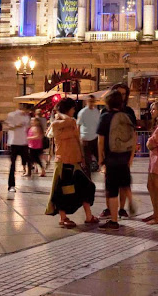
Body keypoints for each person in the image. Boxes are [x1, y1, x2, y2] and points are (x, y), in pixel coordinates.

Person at [45, 97, 98, 227]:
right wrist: (59, 112)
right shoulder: (56, 124)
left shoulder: (72, 122)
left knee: (87, 187)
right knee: (63, 191)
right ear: (67, 109)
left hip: (74, 161)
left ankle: (89, 216)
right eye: (73, 108)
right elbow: (67, 123)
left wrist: (82, 157)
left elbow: (77, 140)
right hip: (63, 161)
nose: (74, 110)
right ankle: (63, 218)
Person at [97, 88, 137, 230]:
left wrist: (101, 159)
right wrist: (131, 156)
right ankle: (130, 200)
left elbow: (101, 140)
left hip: (111, 157)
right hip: (124, 156)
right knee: (125, 182)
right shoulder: (127, 115)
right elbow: (134, 136)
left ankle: (113, 221)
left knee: (112, 190)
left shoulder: (105, 116)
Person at [4, 103, 31, 193]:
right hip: (14, 143)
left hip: (23, 143)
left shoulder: (27, 117)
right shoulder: (12, 115)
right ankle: (11, 185)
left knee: (28, 161)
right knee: (13, 165)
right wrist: (16, 126)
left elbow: (27, 128)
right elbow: (7, 126)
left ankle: (29, 176)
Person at [76, 94, 101, 179]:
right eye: (90, 101)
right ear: (87, 102)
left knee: (100, 158)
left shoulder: (96, 112)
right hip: (85, 139)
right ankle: (88, 180)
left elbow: (99, 124)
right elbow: (78, 126)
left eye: (93, 101)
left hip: (95, 138)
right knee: (87, 162)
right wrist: (79, 138)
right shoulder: (82, 112)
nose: (91, 103)